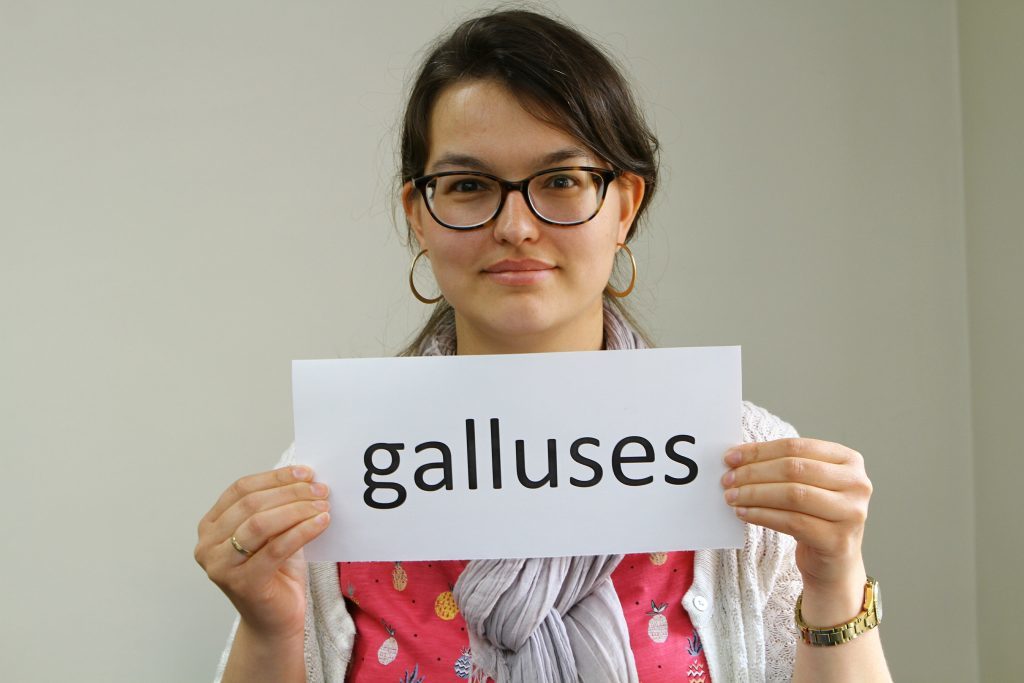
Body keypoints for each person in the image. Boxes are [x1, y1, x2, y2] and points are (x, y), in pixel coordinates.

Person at [195, 9, 892, 683]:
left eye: (560, 181)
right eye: (468, 186)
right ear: (418, 215)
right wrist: (270, 626)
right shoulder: (338, 470)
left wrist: (835, 579)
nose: (517, 226)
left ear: (624, 205)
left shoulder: (740, 456)